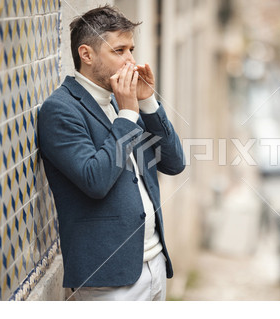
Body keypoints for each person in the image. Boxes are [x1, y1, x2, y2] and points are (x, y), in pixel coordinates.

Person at [38, 5, 185, 301]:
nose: (131, 60)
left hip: (155, 263)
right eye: (119, 51)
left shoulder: (122, 102)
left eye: (131, 49)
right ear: (87, 55)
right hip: (109, 279)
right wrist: (129, 116)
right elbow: (95, 180)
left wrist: (148, 105)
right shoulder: (61, 110)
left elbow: (174, 163)